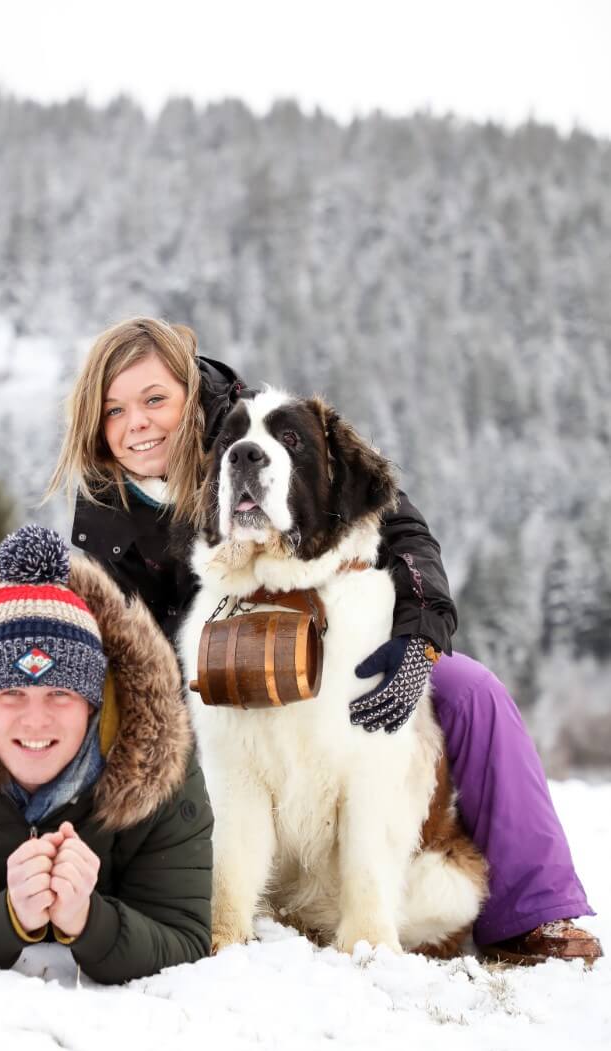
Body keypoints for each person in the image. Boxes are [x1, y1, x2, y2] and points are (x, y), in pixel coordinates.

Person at [44, 316, 602, 965]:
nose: (136, 422)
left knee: (469, 690)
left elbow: (400, 528)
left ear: (193, 401)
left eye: (154, 400)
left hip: (338, 632)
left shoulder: (265, 431)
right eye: (113, 410)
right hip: (203, 692)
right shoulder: (106, 518)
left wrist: (418, 637)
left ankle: (532, 916)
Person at [0, 524, 213, 983]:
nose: (35, 721)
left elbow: (184, 937)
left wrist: (89, 921)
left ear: (94, 700)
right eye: (11, 692)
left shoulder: (158, 762)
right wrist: (7, 917)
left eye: (59, 694)